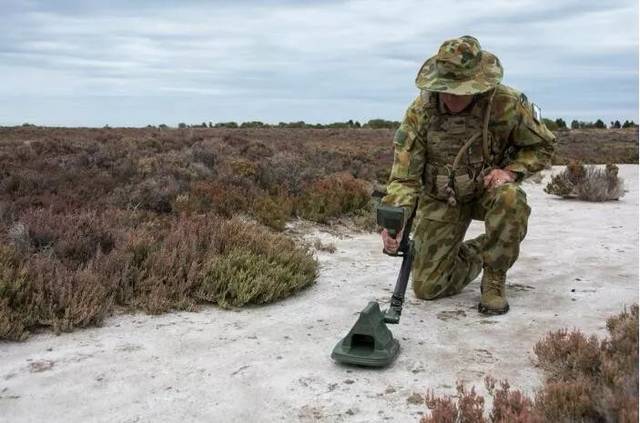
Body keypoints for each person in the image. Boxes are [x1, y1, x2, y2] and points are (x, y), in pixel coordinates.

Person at [381, 35, 556, 315]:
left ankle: (495, 276)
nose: (450, 97)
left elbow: (543, 146)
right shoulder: (420, 112)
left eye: (459, 89)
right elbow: (404, 178)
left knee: (511, 198)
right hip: (441, 199)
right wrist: (395, 217)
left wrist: (510, 172)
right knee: (427, 287)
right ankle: (485, 248)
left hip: (487, 192)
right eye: (445, 88)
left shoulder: (506, 104)